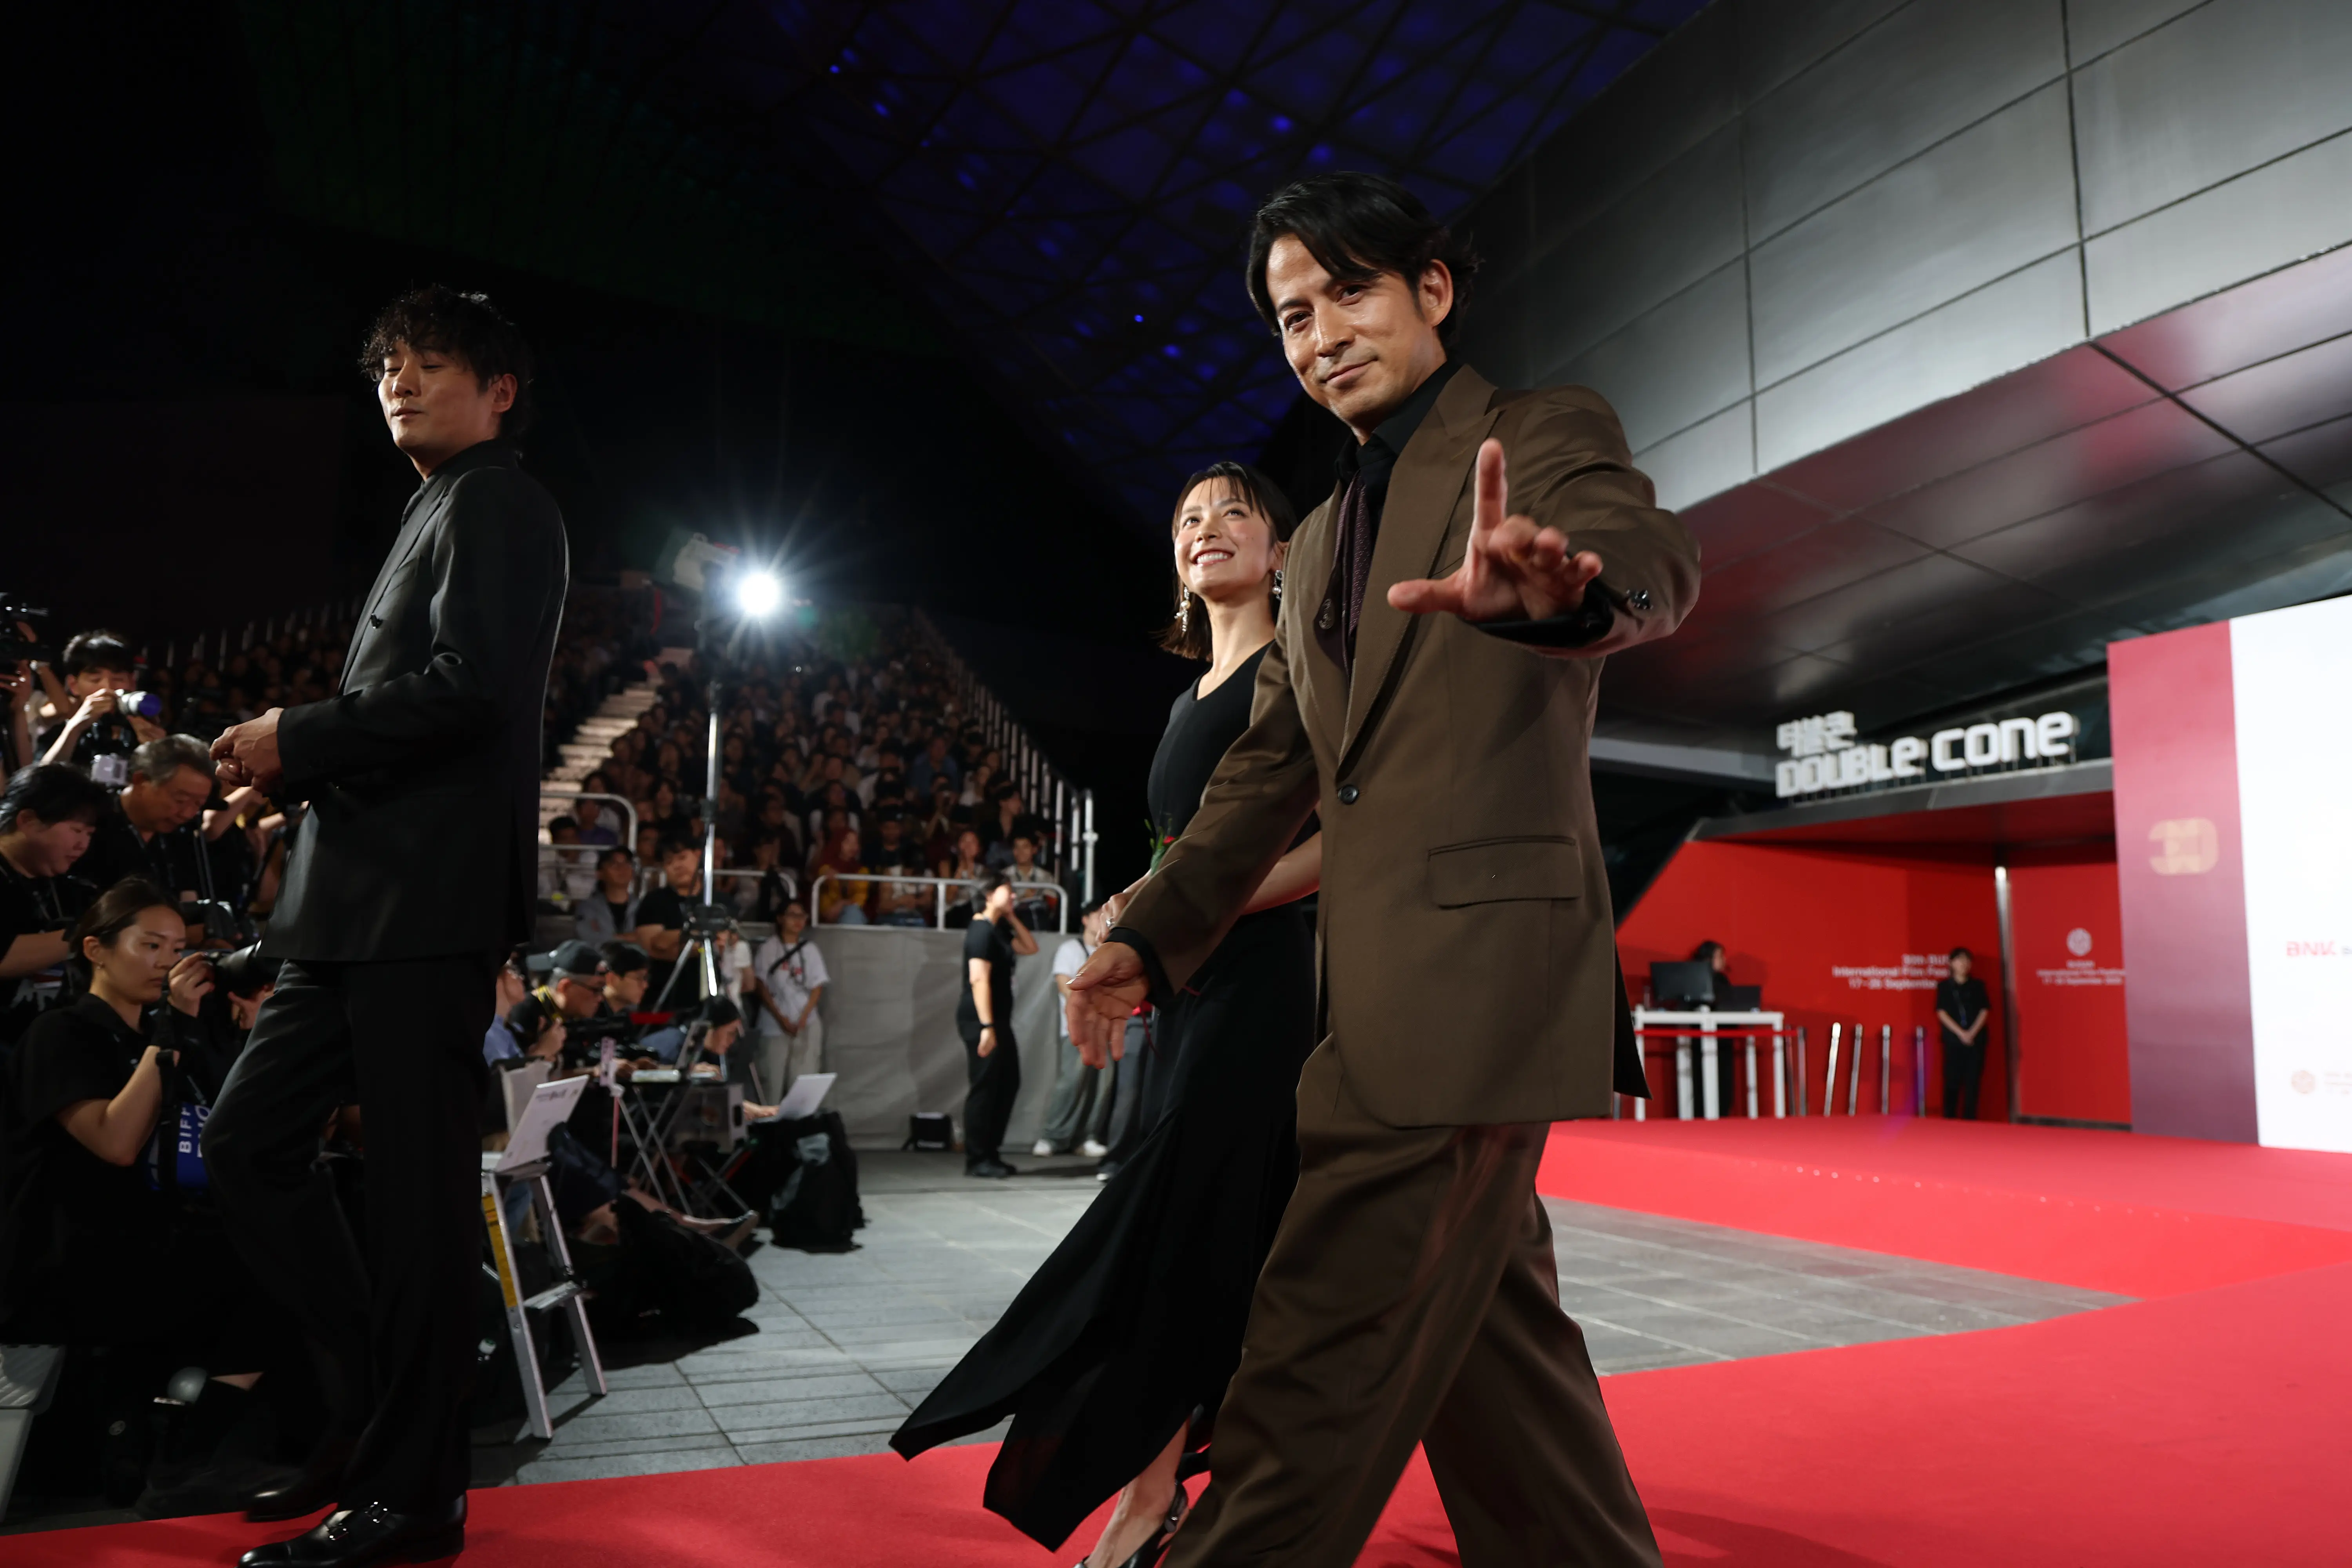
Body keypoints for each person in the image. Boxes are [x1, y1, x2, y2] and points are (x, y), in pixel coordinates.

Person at [1065, 171, 1698, 1568]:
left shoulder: (1535, 432)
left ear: (1433, 289)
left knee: (1304, 1367)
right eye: (1293, 314)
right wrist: (1151, 932)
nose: (1321, 333)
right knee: (1497, 1368)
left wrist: (1571, 590)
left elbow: (1641, 546)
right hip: (1369, 991)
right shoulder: (1323, 540)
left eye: (1349, 292)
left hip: (1474, 984)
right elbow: (1270, 771)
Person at [201, 283, 567, 1567]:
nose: (400, 384)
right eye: (387, 370)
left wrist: (294, 736)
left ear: (500, 389)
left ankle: (418, 1497)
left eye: (431, 365)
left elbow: (466, 692)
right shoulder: (437, 509)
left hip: (425, 912)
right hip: (349, 912)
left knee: (415, 1212)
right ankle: (375, 1410)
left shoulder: (503, 502)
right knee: (246, 1143)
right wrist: (291, 770)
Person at [898, 459, 1322, 1567]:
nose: (1209, 529)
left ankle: (1147, 1493)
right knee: (1204, 1236)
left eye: (1237, 513)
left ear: (1283, 552)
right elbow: (1191, 852)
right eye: (1189, 518)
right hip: (1193, 988)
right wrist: (1141, 908)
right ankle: (1175, 1482)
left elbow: (1337, 845)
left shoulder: (1304, 668)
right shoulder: (1188, 700)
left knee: (1176, 1230)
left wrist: (1182, 909)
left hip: (1271, 986)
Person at [0, 879, 284, 1517]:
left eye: (179, 946)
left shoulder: (164, 1033)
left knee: (293, 1260)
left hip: (149, 1237)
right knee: (266, 1276)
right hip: (69, 1258)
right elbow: (117, 1144)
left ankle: (191, 1451)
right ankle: (185, 1456)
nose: (167, 960)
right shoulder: (62, 1034)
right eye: (150, 944)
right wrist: (166, 1040)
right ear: (96, 950)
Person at [0, 762, 111, 1048]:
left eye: (89, 834)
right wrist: (95, 934)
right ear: (27, 821)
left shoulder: (67, 885)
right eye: (76, 830)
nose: (82, 845)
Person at [953, 871, 1036, 1179]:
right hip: (981, 1020)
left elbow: (1030, 947)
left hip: (999, 1020)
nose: (1013, 895)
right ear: (989, 894)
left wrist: (1012, 917)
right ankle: (977, 1159)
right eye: (1007, 891)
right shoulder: (980, 931)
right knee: (985, 1088)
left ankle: (991, 1152)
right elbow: (978, 979)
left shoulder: (997, 929)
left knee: (1008, 1083)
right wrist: (987, 1027)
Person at [1032, 902, 1113, 1161]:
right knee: (1071, 1083)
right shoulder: (1071, 949)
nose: (1103, 919)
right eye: (1098, 914)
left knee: (1102, 1086)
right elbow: (1063, 984)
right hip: (1077, 1029)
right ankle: (1052, 1136)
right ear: (1085, 919)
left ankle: (1087, 1137)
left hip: (1106, 1028)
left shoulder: (1110, 952)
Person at [748, 895, 828, 1100]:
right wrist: (781, 1018)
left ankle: (799, 1128)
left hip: (806, 1022)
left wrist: (803, 1018)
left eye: (802, 916)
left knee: (803, 1083)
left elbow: (817, 987)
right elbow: (760, 985)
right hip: (775, 1023)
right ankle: (769, 1127)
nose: (798, 921)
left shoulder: (810, 950)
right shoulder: (769, 949)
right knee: (771, 1081)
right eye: (793, 915)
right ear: (781, 919)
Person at [632, 838, 709, 1006]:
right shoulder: (653, 902)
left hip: (709, 999)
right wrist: (704, 943)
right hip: (659, 1000)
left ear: (698, 855)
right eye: (669, 862)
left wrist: (674, 938)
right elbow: (654, 948)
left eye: (682, 858)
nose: (677, 866)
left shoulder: (717, 901)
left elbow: (728, 946)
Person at [1936, 946, 1992, 1120]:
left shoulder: (1978, 986)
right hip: (1953, 1041)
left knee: (1973, 1082)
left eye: (1967, 960)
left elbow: (1985, 1010)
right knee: (1952, 1081)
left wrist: (1972, 1033)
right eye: (1960, 960)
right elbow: (1941, 1012)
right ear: (1952, 963)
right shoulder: (1944, 987)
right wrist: (1961, 1034)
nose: (1964, 964)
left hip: (1976, 1041)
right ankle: (1949, 1120)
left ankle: (1970, 1121)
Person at [571, 846, 641, 947]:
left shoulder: (643, 906)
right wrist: (627, 938)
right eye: (614, 864)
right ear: (600, 874)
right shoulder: (587, 907)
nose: (622, 869)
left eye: (627, 864)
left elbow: (648, 940)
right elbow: (589, 938)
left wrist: (610, 938)